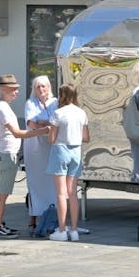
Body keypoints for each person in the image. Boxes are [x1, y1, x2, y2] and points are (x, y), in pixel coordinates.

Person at [0, 74, 37, 237]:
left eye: (17, 89)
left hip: (9, 153)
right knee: (3, 191)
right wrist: (42, 132)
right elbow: (16, 133)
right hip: (8, 153)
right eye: (13, 89)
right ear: (3, 89)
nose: (16, 92)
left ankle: (0, 223)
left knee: (3, 191)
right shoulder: (2, 108)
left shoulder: (3, 106)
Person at [47, 83, 90, 242]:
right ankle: (74, 230)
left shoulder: (57, 113)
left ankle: (62, 230)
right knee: (72, 193)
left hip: (60, 151)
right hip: (76, 152)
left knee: (60, 193)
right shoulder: (81, 113)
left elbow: (51, 139)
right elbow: (86, 138)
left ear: (62, 95)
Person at [21, 75, 59, 237]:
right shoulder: (30, 103)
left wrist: (43, 123)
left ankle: (53, 218)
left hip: (51, 147)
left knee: (52, 183)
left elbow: (55, 122)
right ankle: (33, 220)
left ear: (49, 87)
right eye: (38, 87)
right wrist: (46, 124)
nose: (41, 89)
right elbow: (31, 123)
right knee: (35, 183)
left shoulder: (55, 102)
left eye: (44, 86)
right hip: (35, 148)